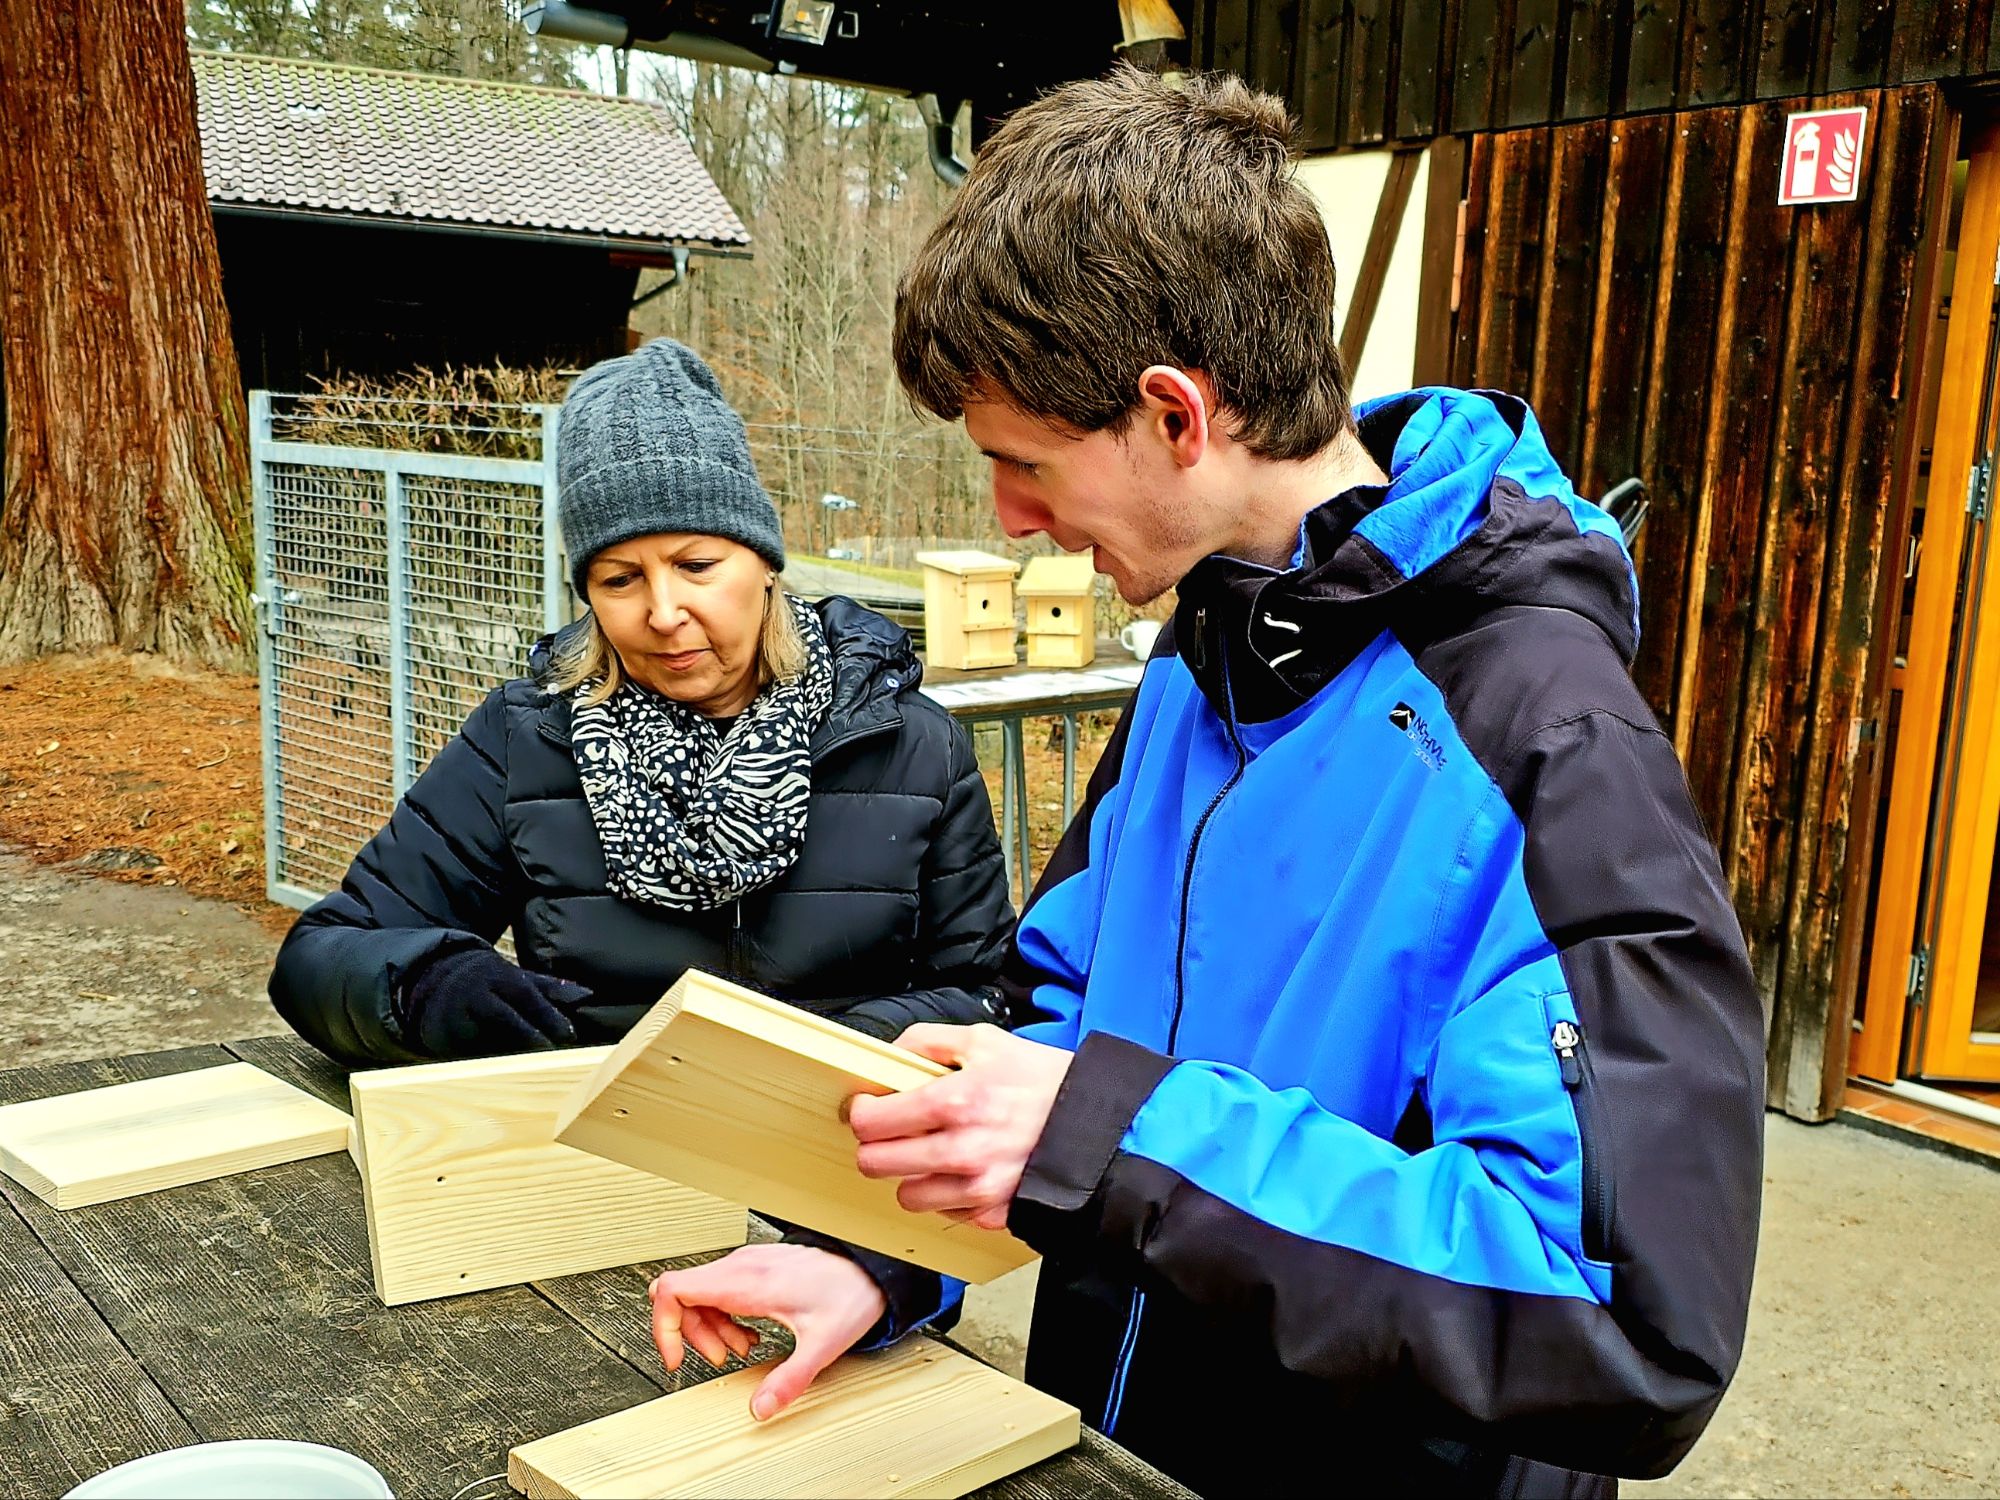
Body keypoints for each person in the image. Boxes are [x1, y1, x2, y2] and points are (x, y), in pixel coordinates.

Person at [651, 67, 1766, 1498]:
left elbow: (1626, 1321)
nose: (1007, 517)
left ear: (1177, 415)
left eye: (1024, 463)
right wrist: (881, 1260)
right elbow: (1057, 1023)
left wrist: (1119, 1136)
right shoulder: (1208, 650)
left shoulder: (1549, 739)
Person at [268, 338, 1014, 1415]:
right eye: (620, 579)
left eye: (697, 565)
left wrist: (830, 1054)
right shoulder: (526, 740)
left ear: (763, 559)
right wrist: (426, 986)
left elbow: (987, 993)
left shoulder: (908, 743)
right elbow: (321, 955)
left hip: (847, 1228)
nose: (662, 613)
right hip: (591, 1222)